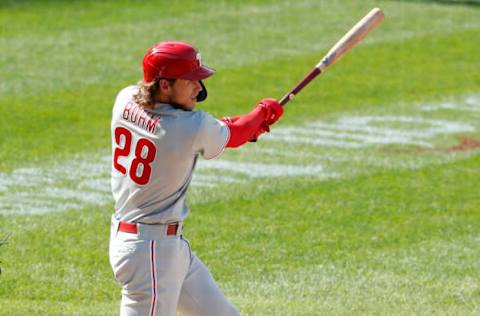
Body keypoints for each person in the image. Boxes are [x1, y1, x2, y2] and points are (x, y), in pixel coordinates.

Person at [108, 41, 283, 316]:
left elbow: (219, 128)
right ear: (165, 85)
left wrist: (248, 123)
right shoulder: (189, 127)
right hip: (151, 253)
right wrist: (262, 112)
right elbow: (234, 133)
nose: (199, 89)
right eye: (191, 81)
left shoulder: (125, 99)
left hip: (158, 245)